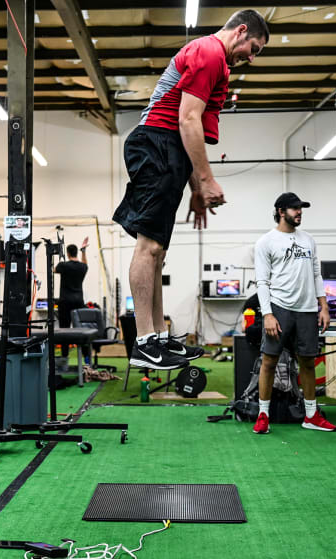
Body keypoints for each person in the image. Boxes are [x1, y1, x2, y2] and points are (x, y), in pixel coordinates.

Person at [113, 9, 269, 370]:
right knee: (149, 247)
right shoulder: (209, 52)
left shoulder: (218, 62)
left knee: (158, 252)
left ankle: (157, 336)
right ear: (241, 31)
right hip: (155, 143)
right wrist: (207, 179)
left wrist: (196, 188)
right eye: (254, 49)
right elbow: (186, 119)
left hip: (166, 148)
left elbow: (186, 131)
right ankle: (143, 341)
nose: (252, 57)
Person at [252, 192, 336, 435]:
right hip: (279, 307)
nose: (299, 212)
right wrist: (267, 314)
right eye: (294, 208)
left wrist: (324, 306)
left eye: (301, 208)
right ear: (281, 211)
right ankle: (263, 415)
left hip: (307, 310)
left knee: (307, 362)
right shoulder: (265, 242)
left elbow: (317, 274)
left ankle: (311, 416)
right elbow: (262, 282)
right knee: (269, 362)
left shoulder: (308, 240)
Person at [55, 237, 89, 357]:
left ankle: (64, 356)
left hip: (65, 302)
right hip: (78, 301)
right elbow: (85, 264)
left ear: (68, 253)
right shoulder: (82, 267)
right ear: (76, 253)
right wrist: (83, 251)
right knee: (80, 329)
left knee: (64, 329)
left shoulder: (63, 266)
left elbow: (54, 270)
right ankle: (86, 357)